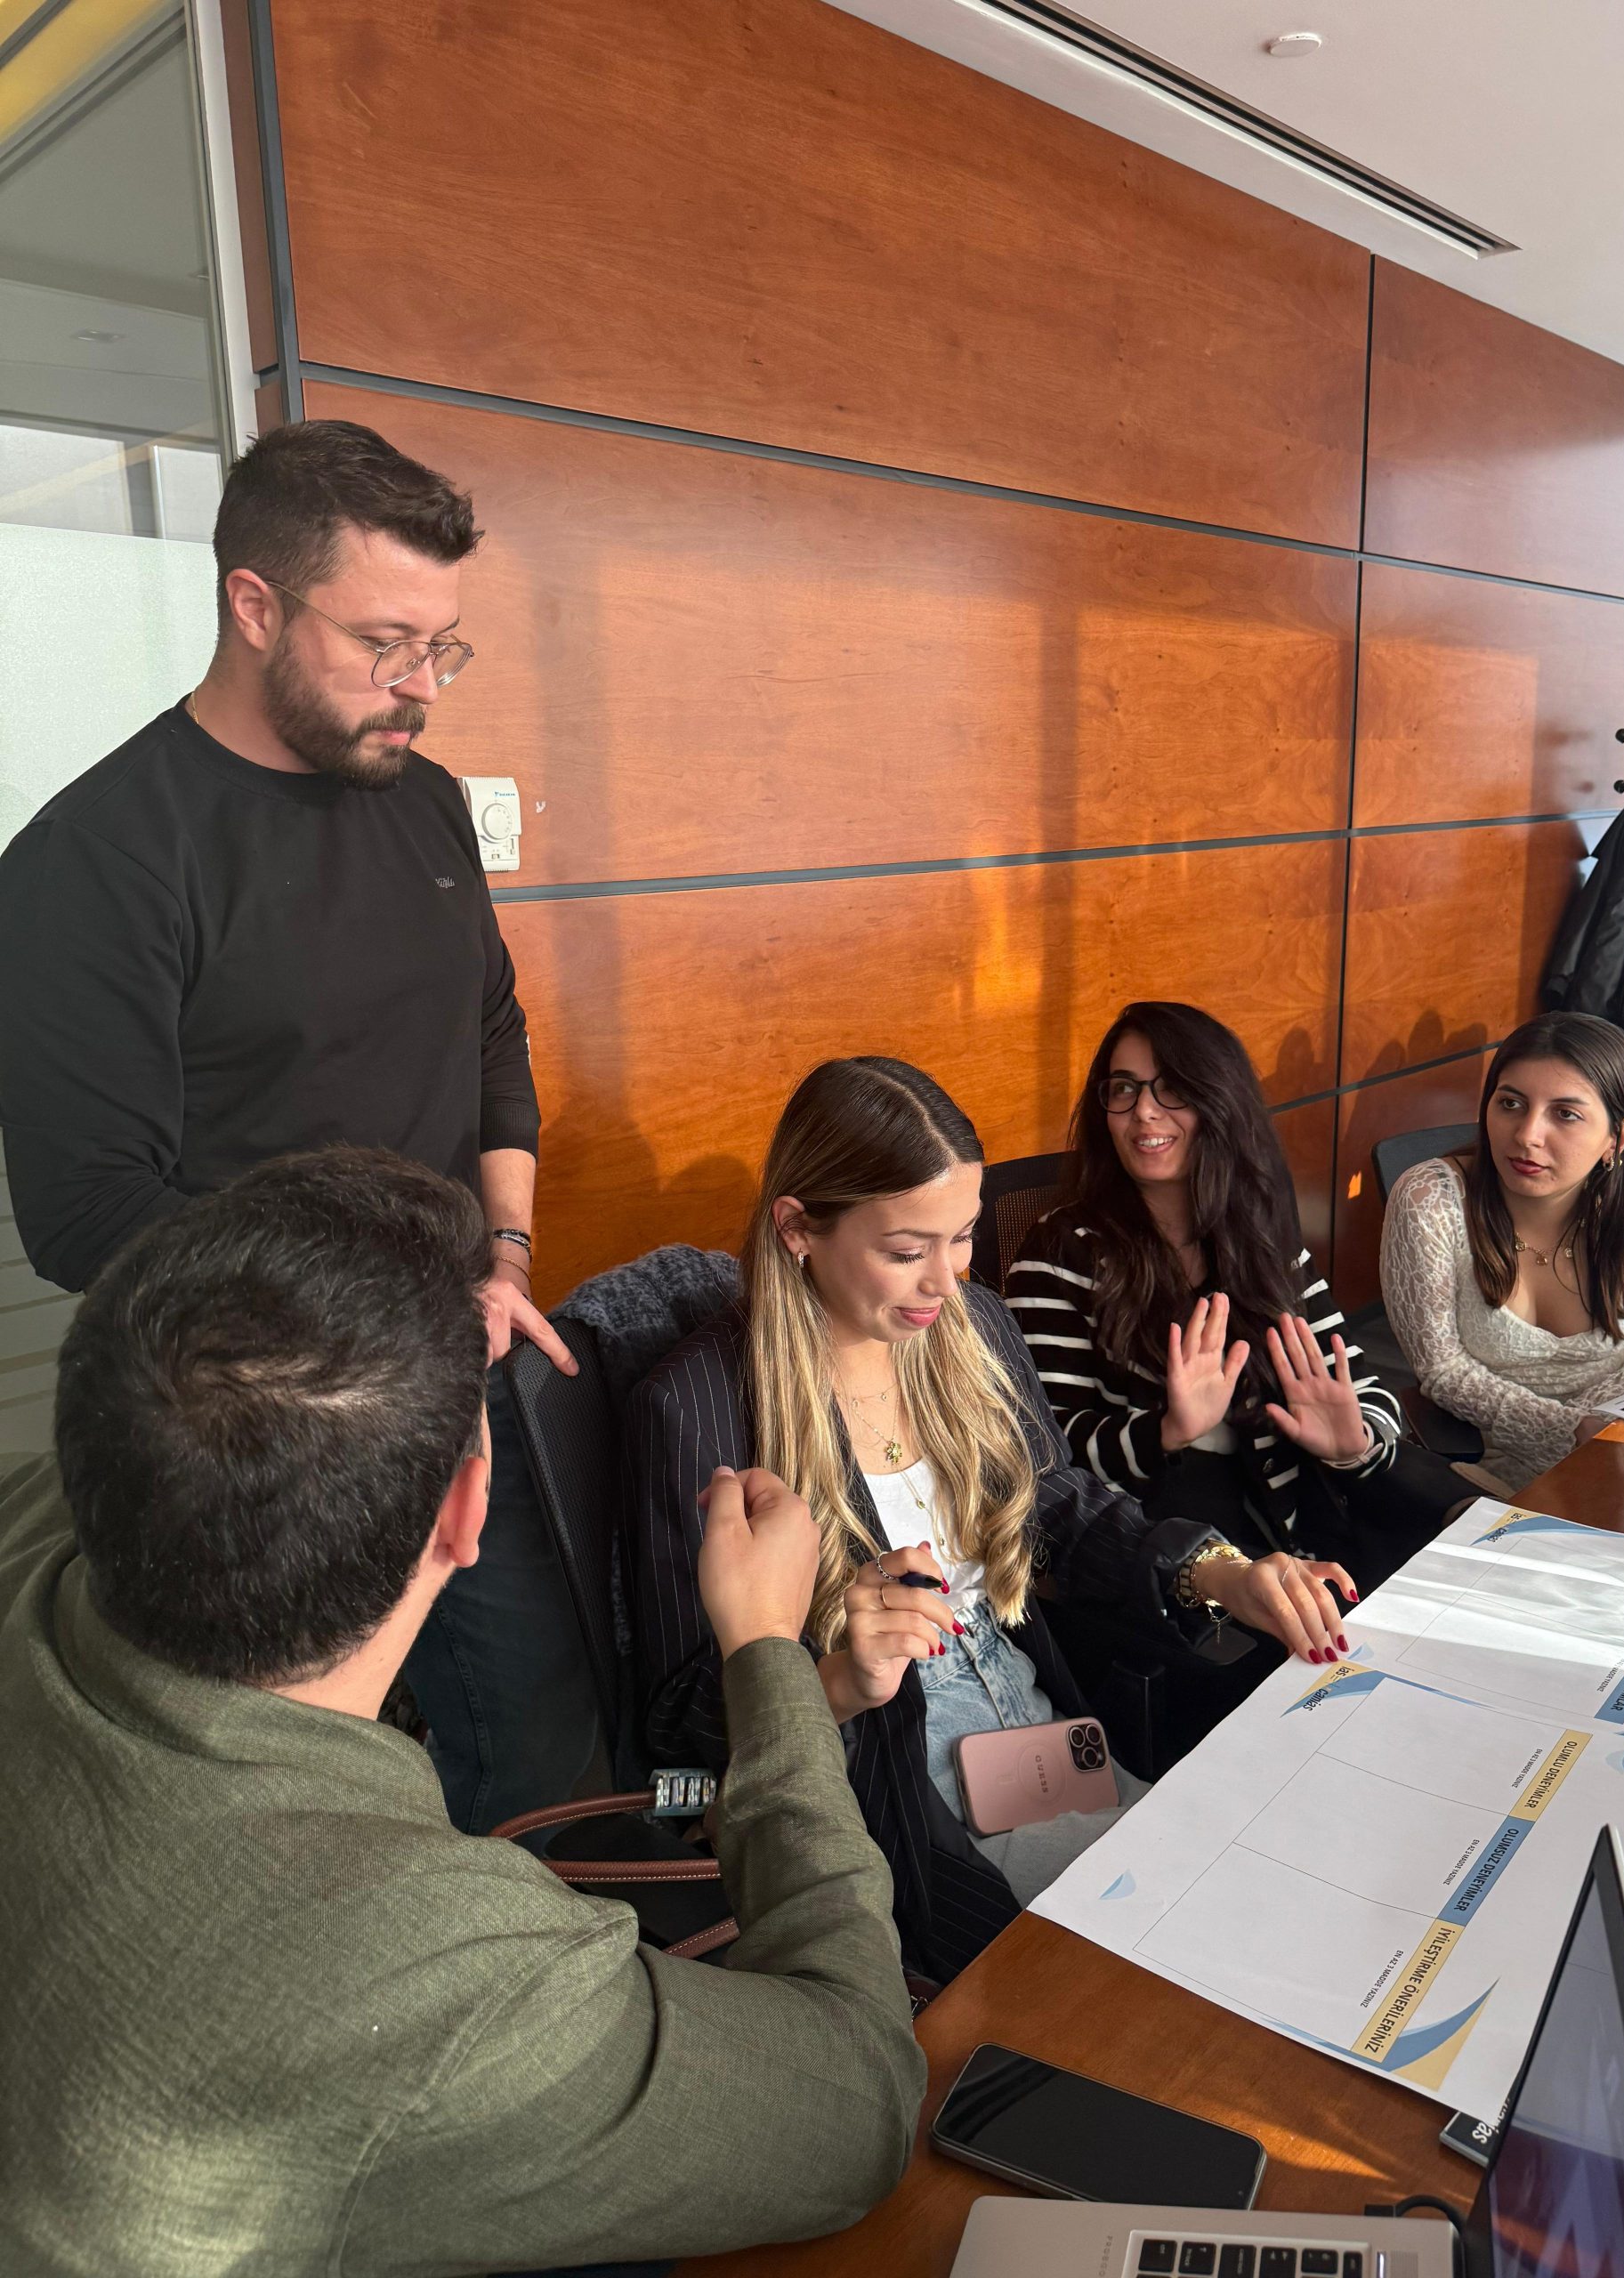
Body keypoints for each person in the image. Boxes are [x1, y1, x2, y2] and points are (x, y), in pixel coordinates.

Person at [0, 1149, 925, 2277]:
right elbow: (858, 2101)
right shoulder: (438, 1966)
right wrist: (771, 1650)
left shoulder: (32, 1526)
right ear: (466, 1508)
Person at [0, 418, 588, 1836]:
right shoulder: (97, 861)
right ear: (255, 605)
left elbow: (490, 1033)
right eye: (385, 645)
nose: (421, 688)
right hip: (255, 1438)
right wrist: (385, 1314)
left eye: (442, 648)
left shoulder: (426, 803)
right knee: (282, 1817)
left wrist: (505, 1253)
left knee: (545, 1748)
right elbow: (87, 1211)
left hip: (463, 1359)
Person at [627, 1057, 1355, 1984]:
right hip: (883, 1784)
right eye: (907, 1250)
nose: (946, 1280)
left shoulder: (972, 1324)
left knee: (1263, 1892)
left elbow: (1053, 1506)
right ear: (798, 1227)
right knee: (1177, 1964)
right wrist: (841, 1677)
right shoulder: (695, 1405)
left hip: (1041, 1728)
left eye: (965, 1235)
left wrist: (1220, 1573)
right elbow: (675, 1722)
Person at [1006, 1003, 1458, 1592]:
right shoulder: (1060, 1252)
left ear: (1219, 1101)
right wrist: (1165, 1430)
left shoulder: (1260, 1237)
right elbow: (1044, 1452)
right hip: (1175, 1566)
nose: (1144, 1110)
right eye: (1123, 1089)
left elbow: (1360, 1387)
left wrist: (1355, 1440)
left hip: (1304, 1531)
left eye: (1171, 1088)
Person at [1381, 1011, 1624, 1491]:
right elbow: (1442, 1370)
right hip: (1503, 1460)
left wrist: (1601, 1418)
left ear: (1616, 1138)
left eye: (1565, 1114)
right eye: (1511, 1103)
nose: (1527, 1135)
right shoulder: (1429, 1200)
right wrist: (1567, 1430)